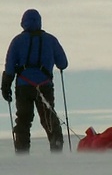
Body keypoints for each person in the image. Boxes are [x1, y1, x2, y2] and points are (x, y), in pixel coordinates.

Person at [2, 9, 68, 153]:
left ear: (23, 23)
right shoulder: (51, 40)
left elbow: (10, 66)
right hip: (45, 86)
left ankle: (22, 154)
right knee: (49, 119)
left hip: (23, 87)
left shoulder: (17, 41)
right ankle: (57, 152)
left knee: (23, 121)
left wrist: (5, 86)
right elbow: (63, 63)